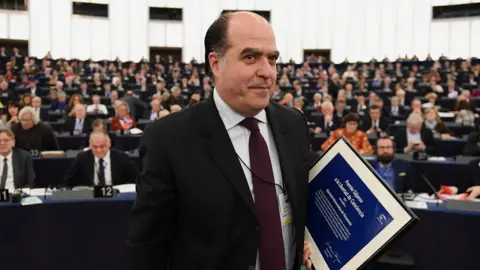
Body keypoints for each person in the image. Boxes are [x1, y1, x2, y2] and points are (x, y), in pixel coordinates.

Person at [127, 11, 313, 270]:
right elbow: (147, 246)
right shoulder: (168, 139)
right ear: (215, 63)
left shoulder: (294, 124)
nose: (267, 72)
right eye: (251, 57)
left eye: (272, 59)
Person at [64, 131, 138, 187]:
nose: (98, 150)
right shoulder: (81, 158)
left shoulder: (122, 157)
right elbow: (68, 182)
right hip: (90, 199)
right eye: (95, 147)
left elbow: (137, 179)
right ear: (90, 145)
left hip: (116, 198)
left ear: (109, 144)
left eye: (102, 146)